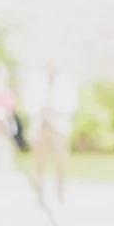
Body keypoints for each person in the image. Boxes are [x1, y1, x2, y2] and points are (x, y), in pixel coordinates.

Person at [25, 67, 79, 203]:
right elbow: (29, 103)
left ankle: (60, 191)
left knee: (60, 160)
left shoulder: (65, 82)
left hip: (58, 125)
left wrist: (54, 109)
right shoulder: (36, 81)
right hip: (40, 124)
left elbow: (72, 104)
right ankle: (39, 193)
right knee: (39, 161)